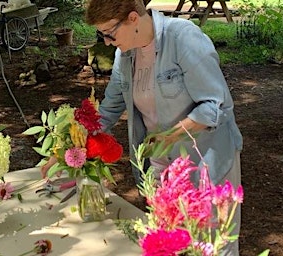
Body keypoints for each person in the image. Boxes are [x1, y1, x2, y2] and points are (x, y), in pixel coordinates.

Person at [42, 0, 242, 255]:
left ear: (133, 19)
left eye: (109, 33)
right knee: (168, 241)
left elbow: (216, 105)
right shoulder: (124, 54)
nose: (106, 41)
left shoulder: (183, 38)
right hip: (160, 164)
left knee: (211, 245)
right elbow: (108, 111)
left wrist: (171, 135)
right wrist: (67, 149)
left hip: (206, 161)